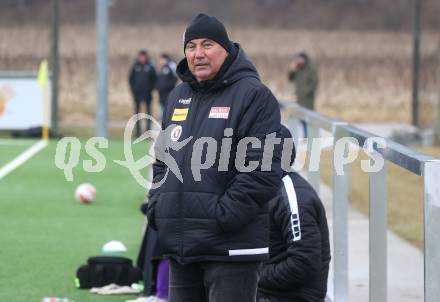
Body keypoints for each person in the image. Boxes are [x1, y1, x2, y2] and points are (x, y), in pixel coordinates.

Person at [146, 13, 283, 302]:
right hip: (183, 246)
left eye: (207, 45)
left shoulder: (254, 95)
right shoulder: (178, 96)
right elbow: (162, 161)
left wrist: (222, 216)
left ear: (226, 48)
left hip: (230, 248)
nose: (198, 54)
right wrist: (159, 206)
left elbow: (264, 168)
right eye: (191, 46)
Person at [257, 126, 330, 302]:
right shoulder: (261, 188)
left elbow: (304, 262)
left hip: (287, 296)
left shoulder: (293, 195)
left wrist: (254, 276)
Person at [288, 53, 318, 137]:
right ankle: (305, 138)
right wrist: (292, 70)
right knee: (301, 119)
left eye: (300, 58)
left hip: (308, 100)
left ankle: (308, 137)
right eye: (298, 58)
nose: (298, 60)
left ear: (304, 59)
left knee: (308, 119)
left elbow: (314, 82)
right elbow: (290, 78)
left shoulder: (310, 68)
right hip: (299, 99)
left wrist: (306, 92)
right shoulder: (298, 68)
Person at [129, 50, 157, 137]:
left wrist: (151, 89)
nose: (142, 58)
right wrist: (134, 90)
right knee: (137, 114)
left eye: (143, 57)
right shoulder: (135, 66)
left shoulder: (150, 67)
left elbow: (154, 79)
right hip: (137, 94)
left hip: (148, 94)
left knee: (148, 114)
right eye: (140, 57)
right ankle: (137, 133)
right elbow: (130, 79)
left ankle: (148, 132)